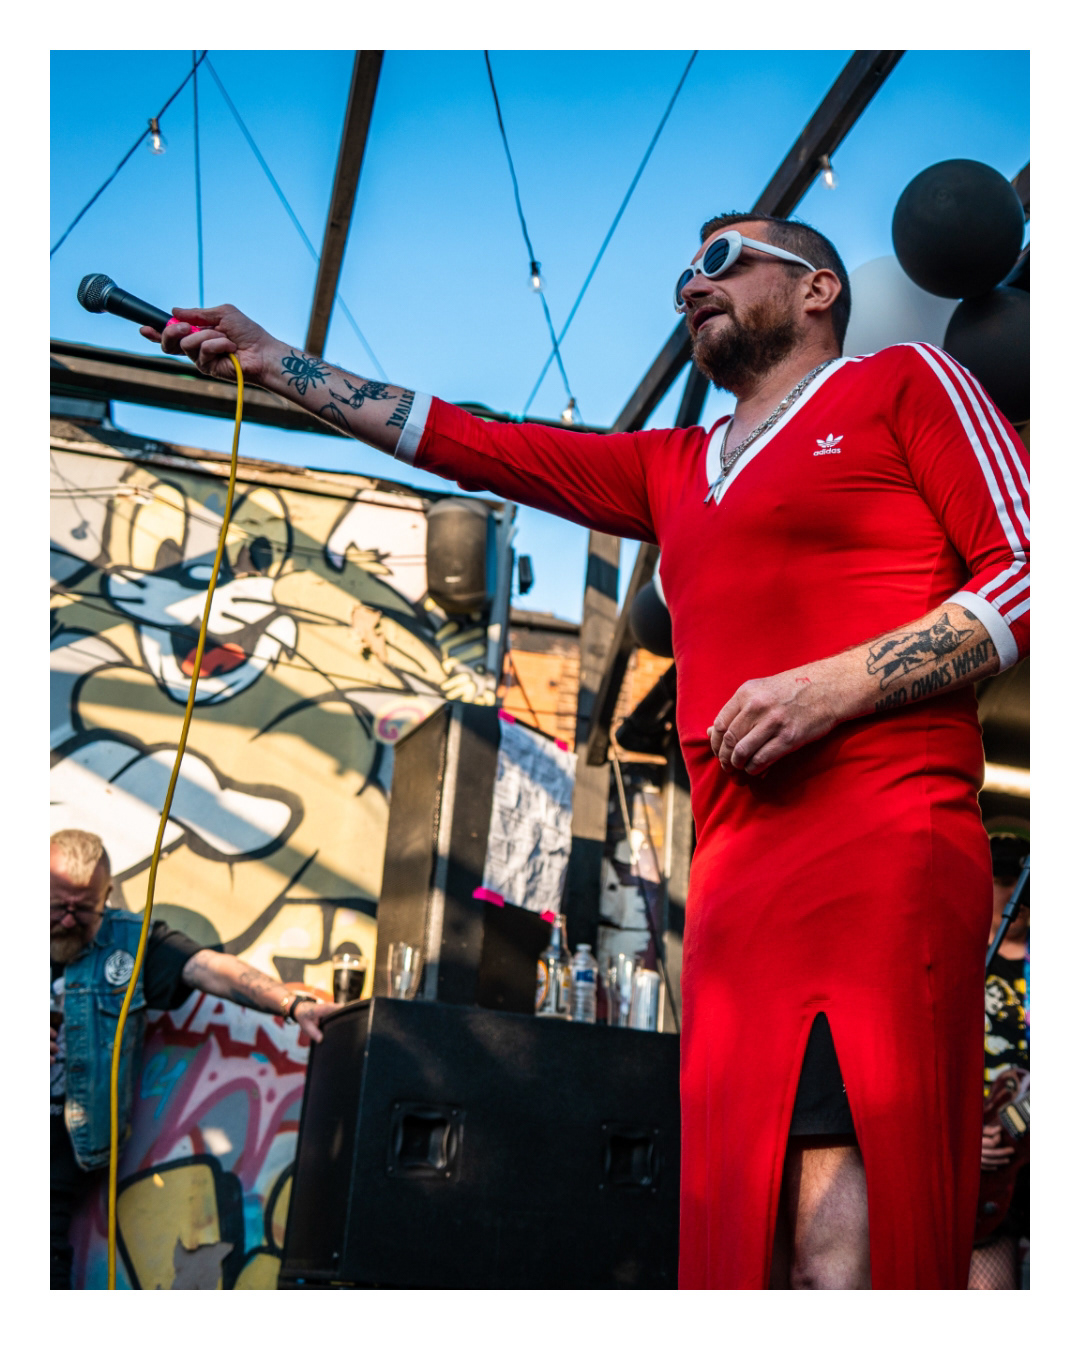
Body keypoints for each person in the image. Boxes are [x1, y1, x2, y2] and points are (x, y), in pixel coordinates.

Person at [142, 210, 1030, 1289]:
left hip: (878, 848)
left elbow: (1035, 568)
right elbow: (474, 445)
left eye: (722, 260)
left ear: (817, 289)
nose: (691, 284)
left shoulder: (904, 383)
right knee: (740, 1230)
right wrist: (276, 360)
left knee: (840, 1232)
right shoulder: (675, 464)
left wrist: (835, 685)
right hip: (736, 890)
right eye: (683, 272)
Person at [50, 828, 340, 1289]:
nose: (68, 920)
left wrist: (293, 1005)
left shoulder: (127, 943)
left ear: (106, 895)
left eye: (84, 909)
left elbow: (211, 970)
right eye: (56, 906)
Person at [969, 831, 1030, 1289]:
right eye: (1004, 880)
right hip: (984, 1150)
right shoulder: (963, 958)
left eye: (1020, 881)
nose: (1016, 894)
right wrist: (966, 1135)